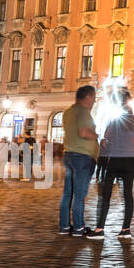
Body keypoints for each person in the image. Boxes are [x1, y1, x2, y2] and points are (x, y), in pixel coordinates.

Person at [92, 89, 134, 239]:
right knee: (127, 195)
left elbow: (107, 139)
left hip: (115, 159)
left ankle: (100, 229)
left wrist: (103, 142)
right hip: (129, 161)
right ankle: (126, 229)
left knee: (106, 195)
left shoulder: (115, 120)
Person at [58, 85, 100, 237]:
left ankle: (64, 226)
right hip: (82, 156)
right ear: (87, 97)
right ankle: (79, 227)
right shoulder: (83, 112)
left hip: (69, 155)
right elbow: (83, 133)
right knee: (79, 195)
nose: (94, 101)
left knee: (67, 194)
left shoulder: (68, 112)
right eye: (94, 98)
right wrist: (96, 136)